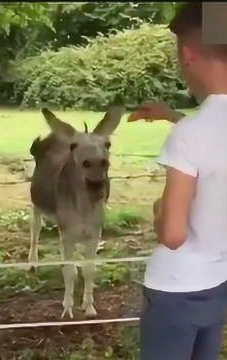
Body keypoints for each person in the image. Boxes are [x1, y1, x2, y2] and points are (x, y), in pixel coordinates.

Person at [128, 2, 227, 359]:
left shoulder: (189, 134)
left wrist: (159, 209)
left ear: (186, 54)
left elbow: (173, 234)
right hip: (218, 285)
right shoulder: (197, 130)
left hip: (174, 289)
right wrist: (173, 116)